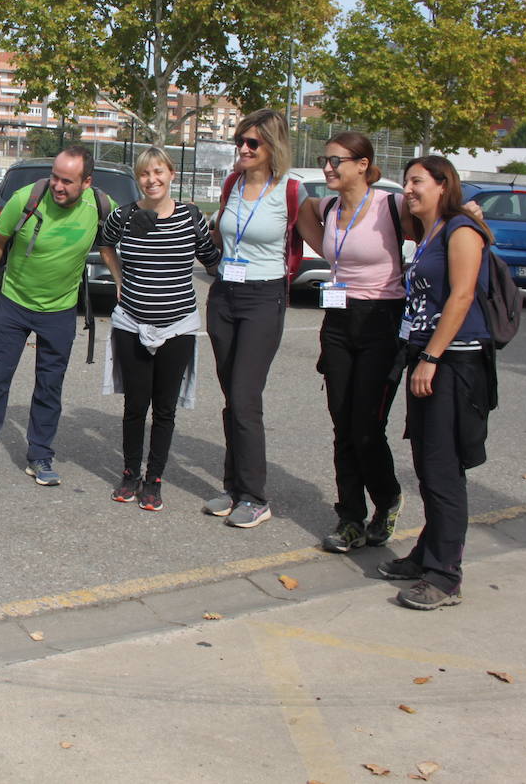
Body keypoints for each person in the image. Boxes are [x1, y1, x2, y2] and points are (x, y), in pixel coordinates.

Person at [379, 156, 494, 610]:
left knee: (444, 470)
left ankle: (446, 576)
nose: (408, 189)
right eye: (406, 181)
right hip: (427, 358)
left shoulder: (460, 231)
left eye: (417, 181)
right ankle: (429, 554)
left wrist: (431, 356)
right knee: (428, 464)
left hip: (454, 363)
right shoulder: (428, 233)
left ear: (444, 186)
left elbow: (463, 296)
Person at [0, 146, 105, 487]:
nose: (58, 185)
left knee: (50, 387)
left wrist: (124, 287)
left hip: (60, 310)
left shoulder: (99, 207)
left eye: (67, 180)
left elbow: (109, 248)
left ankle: (40, 456)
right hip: (14, 303)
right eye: (55, 176)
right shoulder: (27, 198)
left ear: (87, 182)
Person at [298, 133, 415, 553]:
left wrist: (469, 212)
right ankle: (350, 518)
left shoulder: (391, 205)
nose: (328, 168)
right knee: (342, 424)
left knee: (367, 427)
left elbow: (441, 221)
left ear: (363, 165)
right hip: (338, 320)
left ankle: (387, 499)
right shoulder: (327, 207)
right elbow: (303, 214)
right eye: (324, 160)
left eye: (336, 161)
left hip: (382, 321)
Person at [204, 108, 310, 528]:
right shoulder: (231, 184)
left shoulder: (291, 191)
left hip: (264, 298)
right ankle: (233, 489)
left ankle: (255, 496)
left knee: (247, 398)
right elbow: (217, 235)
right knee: (233, 397)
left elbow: (327, 237)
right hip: (225, 296)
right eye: (240, 142)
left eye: (253, 143)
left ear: (273, 146)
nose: (243, 149)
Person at [99, 147, 220, 511]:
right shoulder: (123, 216)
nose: (152, 180)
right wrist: (119, 280)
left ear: (171, 174)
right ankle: (129, 473)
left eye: (158, 172)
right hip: (132, 322)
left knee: (164, 409)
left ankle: (154, 480)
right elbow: (105, 247)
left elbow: (212, 260)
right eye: (144, 174)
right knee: (136, 405)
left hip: (178, 325)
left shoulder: (191, 218)